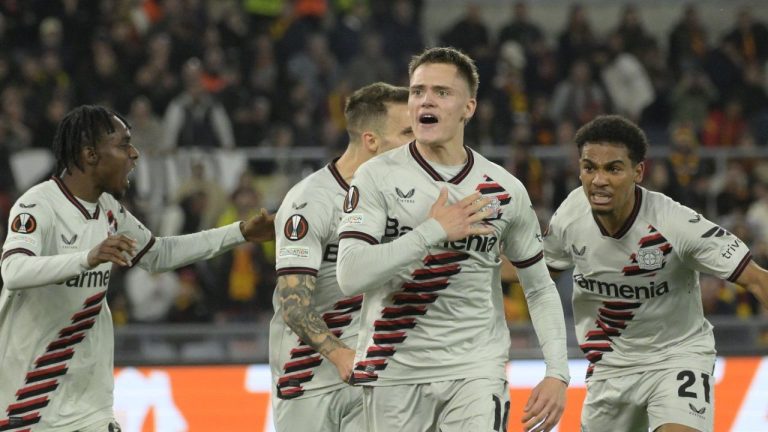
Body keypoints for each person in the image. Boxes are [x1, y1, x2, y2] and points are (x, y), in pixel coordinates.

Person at [335, 47, 569, 432]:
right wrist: (432, 232)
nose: (425, 100)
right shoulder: (375, 177)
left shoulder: (504, 190)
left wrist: (558, 371)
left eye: (441, 92)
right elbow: (351, 275)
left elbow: (539, 287)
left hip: (475, 368)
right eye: (417, 91)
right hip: (392, 370)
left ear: (469, 107)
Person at [0, 105, 274, 432]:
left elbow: (158, 253)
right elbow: (14, 271)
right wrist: (87, 257)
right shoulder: (36, 206)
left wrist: (238, 232)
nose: (134, 154)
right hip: (29, 402)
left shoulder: (110, 211)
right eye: (123, 145)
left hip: (89, 406)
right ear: (90, 155)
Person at [541, 115, 768, 432]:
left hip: (676, 357)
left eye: (613, 168)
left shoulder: (675, 224)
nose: (598, 180)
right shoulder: (570, 214)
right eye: (589, 167)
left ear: (638, 172)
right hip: (610, 368)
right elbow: (537, 275)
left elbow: (757, 279)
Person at [270, 82, 413, 431]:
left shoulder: (405, 198)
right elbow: (294, 305)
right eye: (406, 132)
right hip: (308, 382)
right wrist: (340, 356)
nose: (417, 142)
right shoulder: (310, 202)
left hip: (377, 376)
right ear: (371, 140)